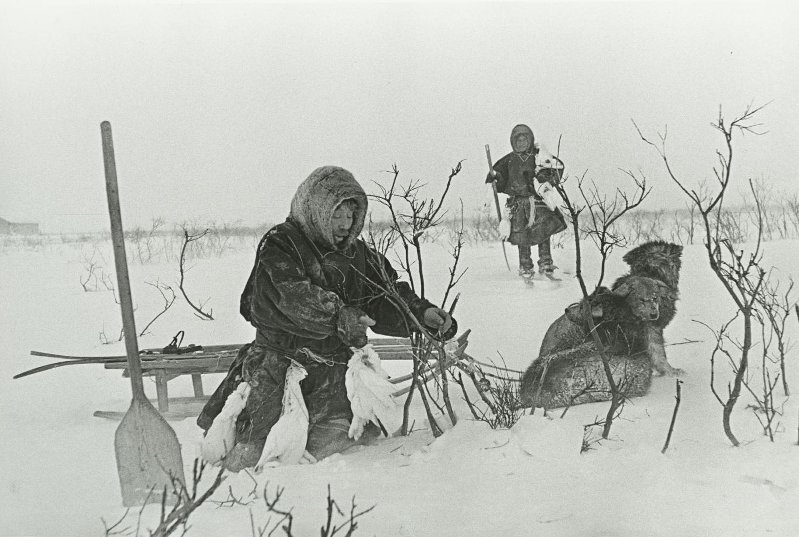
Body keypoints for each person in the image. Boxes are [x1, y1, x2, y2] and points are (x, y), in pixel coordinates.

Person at [197, 165, 458, 470]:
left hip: (334, 376)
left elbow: (385, 295)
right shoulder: (282, 243)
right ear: (317, 209)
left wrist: (420, 315)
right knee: (256, 455)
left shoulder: (357, 254)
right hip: (281, 369)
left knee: (345, 447)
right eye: (338, 215)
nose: (346, 225)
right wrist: (339, 315)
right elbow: (289, 294)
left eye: (351, 216)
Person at [486, 124, 566, 279]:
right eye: (518, 140)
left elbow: (557, 167)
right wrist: (495, 177)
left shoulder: (539, 156)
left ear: (530, 140)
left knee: (543, 232)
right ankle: (525, 266)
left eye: (524, 139)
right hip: (518, 204)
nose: (521, 143)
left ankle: (546, 263)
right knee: (522, 236)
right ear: (513, 142)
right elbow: (499, 174)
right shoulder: (509, 160)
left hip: (538, 203)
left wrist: (546, 179)